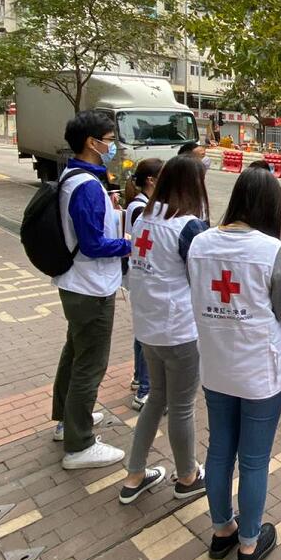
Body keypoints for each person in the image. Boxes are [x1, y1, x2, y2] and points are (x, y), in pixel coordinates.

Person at [186, 166, 281, 560]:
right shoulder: (271, 250)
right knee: (253, 459)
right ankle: (249, 543)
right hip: (259, 371)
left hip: (215, 366)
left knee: (219, 450)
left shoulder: (199, 243)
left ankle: (222, 530)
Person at [120, 155, 210, 505]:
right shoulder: (187, 226)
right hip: (179, 330)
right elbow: (203, 277)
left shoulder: (144, 217)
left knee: (156, 397)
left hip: (147, 328)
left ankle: (134, 475)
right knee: (182, 405)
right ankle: (187, 476)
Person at [51, 111, 132, 469]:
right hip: (91, 287)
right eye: (109, 139)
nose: (112, 146)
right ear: (91, 142)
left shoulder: (73, 176)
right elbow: (93, 244)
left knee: (75, 353)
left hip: (78, 283)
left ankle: (67, 421)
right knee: (90, 364)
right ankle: (79, 445)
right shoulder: (86, 185)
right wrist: (127, 244)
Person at [123, 158, 163, 410]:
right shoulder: (142, 210)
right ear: (151, 180)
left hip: (140, 277)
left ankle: (139, 378)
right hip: (145, 279)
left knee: (142, 332)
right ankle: (145, 391)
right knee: (148, 335)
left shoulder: (139, 205)